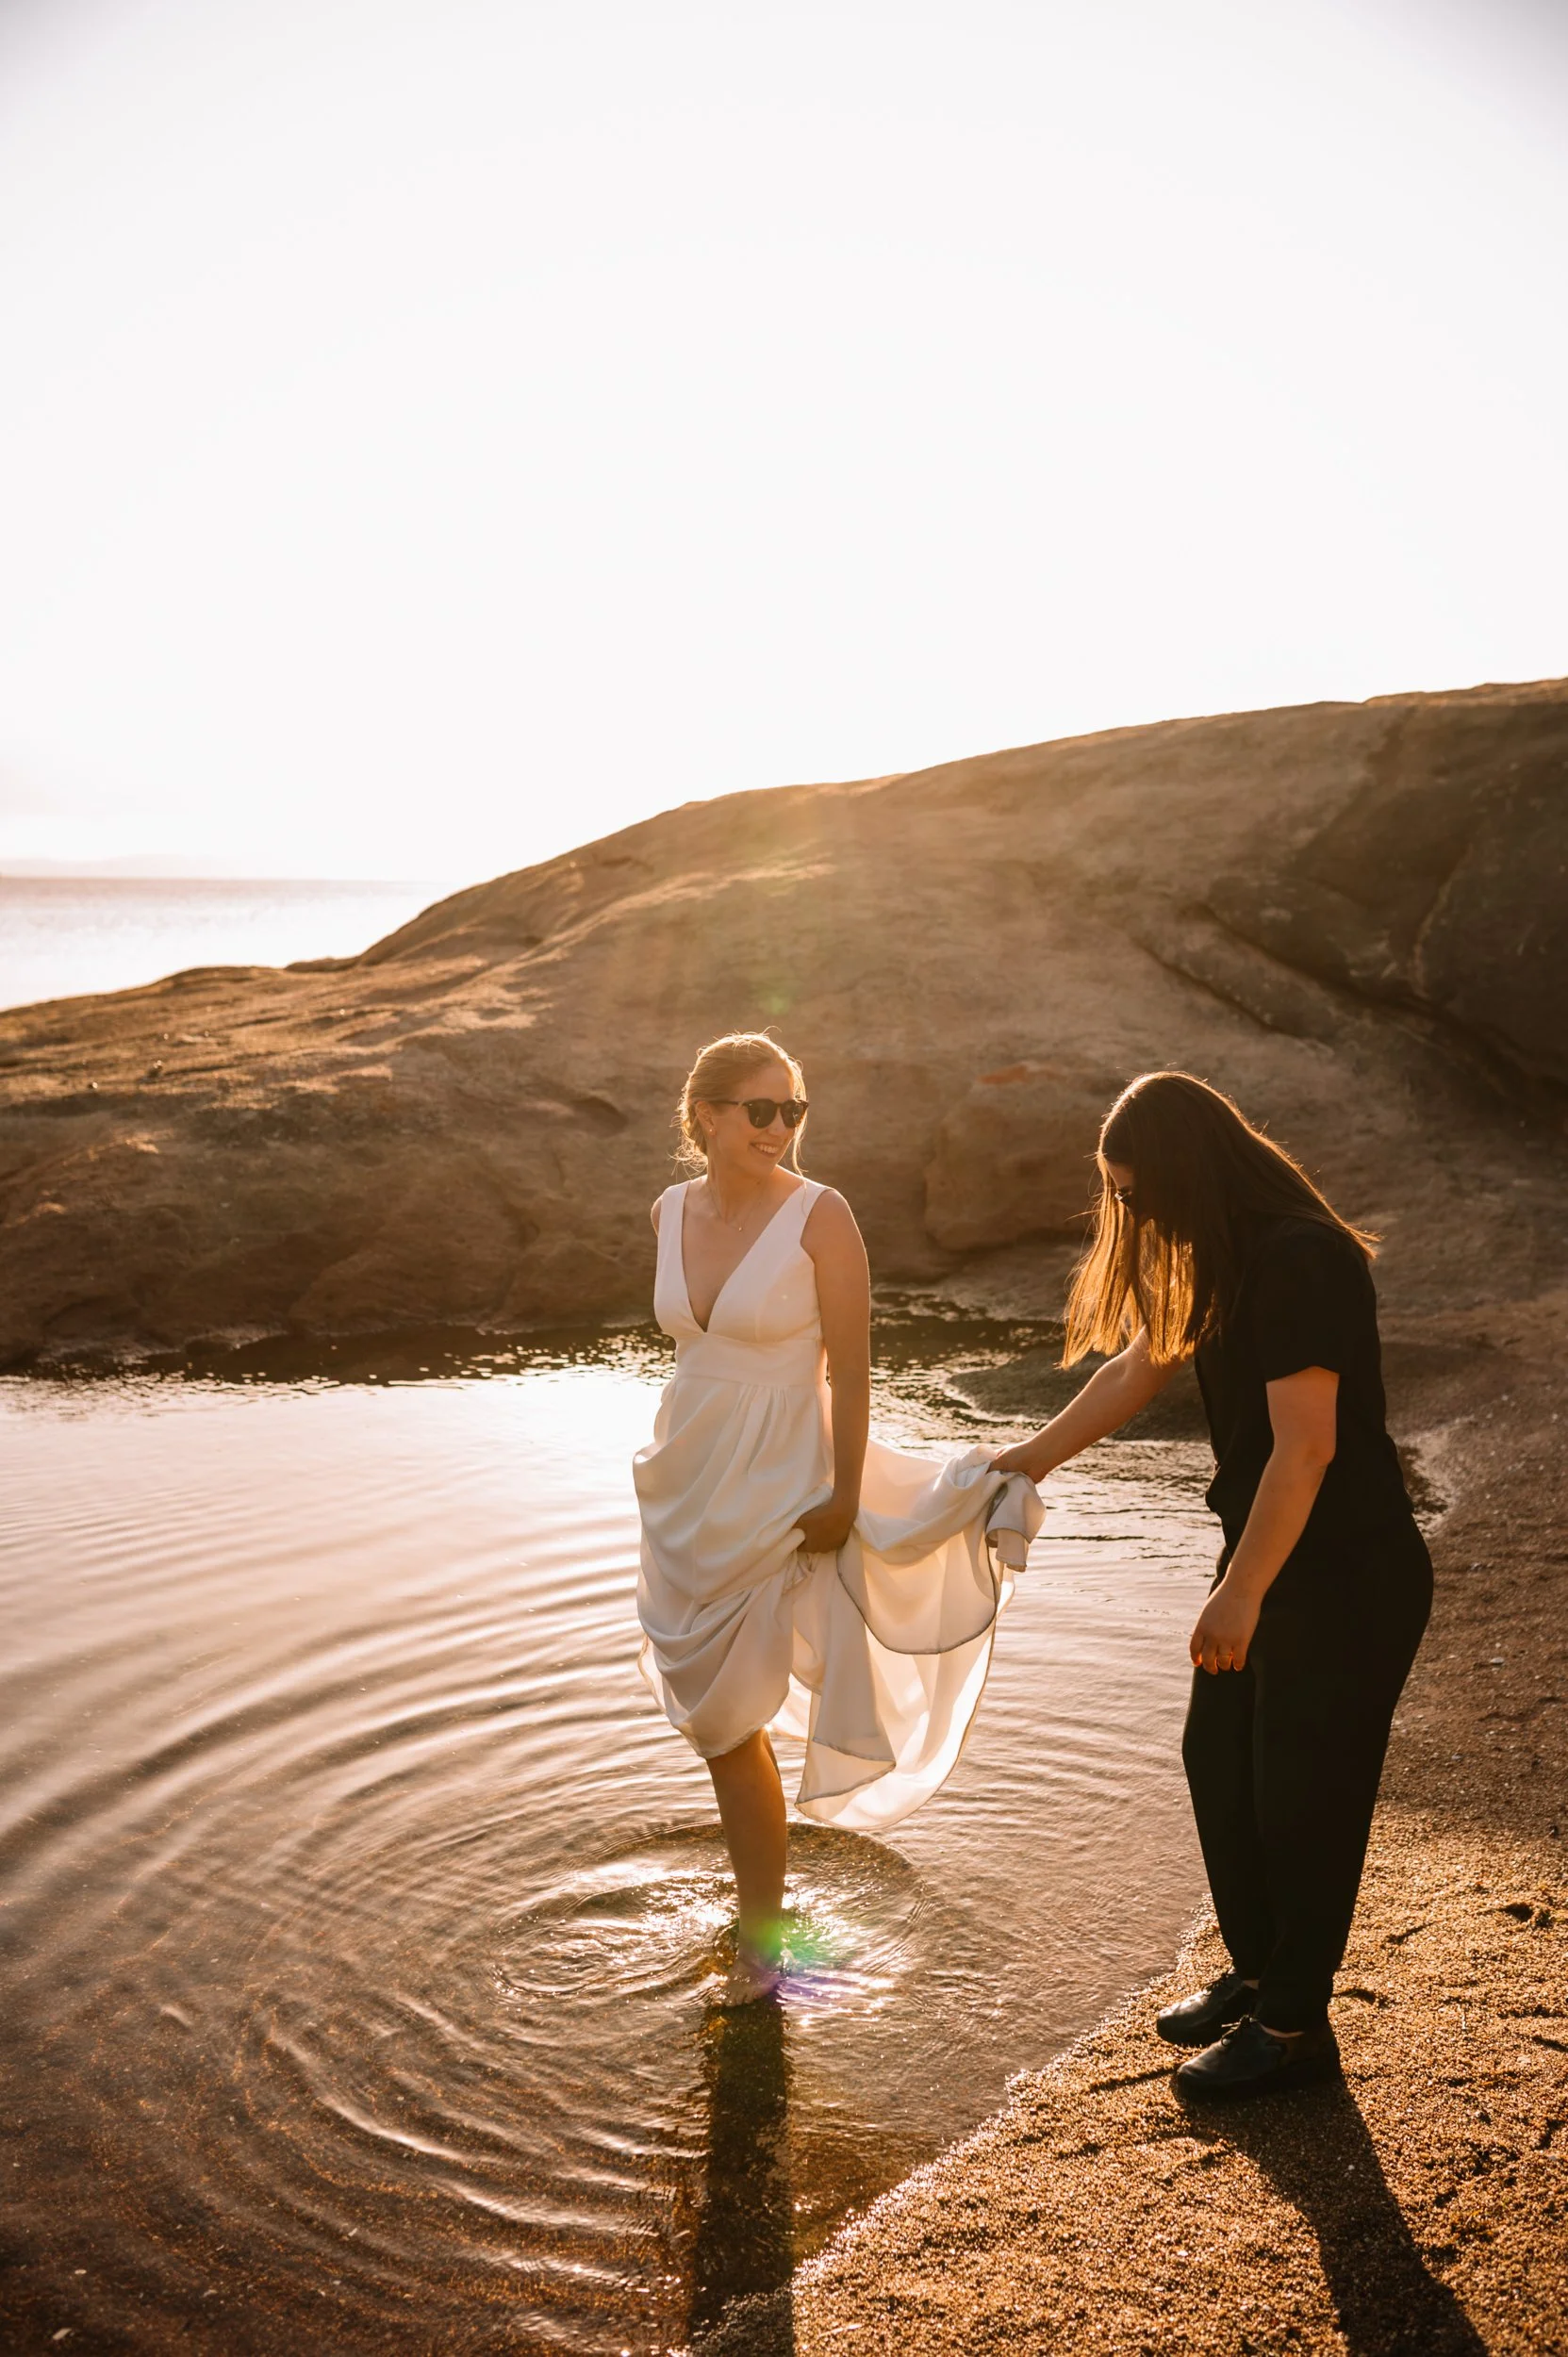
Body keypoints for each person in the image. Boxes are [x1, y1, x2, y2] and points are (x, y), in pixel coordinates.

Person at [990, 1070, 1432, 2096]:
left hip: (1345, 1576)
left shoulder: (1300, 1262)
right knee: (1217, 1761)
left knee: (1301, 1799)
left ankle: (1291, 2031)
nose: (1128, 1215)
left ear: (1186, 1175)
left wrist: (1238, 1591)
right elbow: (1136, 1369)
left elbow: (1306, 1449)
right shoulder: (1220, 1260)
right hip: (1274, 1562)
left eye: (1134, 1194)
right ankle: (1258, 1969)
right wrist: (1030, 1458)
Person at [634, 1031, 1041, 2003]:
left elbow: (853, 1368)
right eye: (760, 1110)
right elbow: (692, 1352)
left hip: (784, 1480)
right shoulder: (667, 1210)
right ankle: (762, 1916)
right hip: (687, 1480)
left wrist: (846, 1494)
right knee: (716, 1720)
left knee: (733, 1718)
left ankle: (764, 1942)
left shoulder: (823, 1217)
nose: (780, 1128)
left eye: (793, 1111)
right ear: (705, 1116)